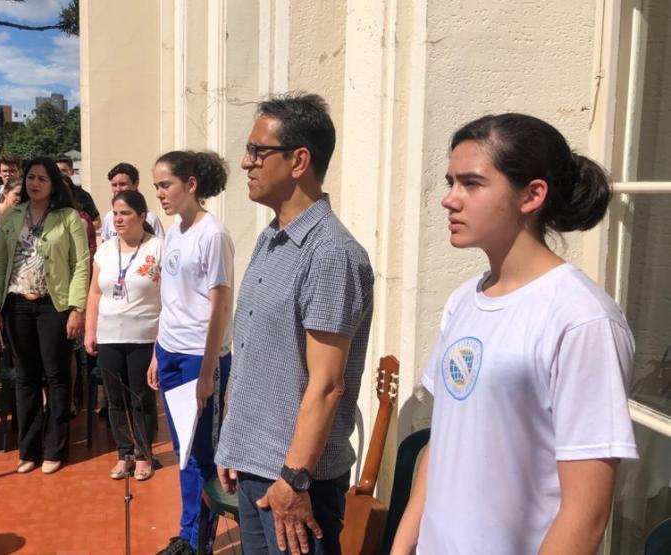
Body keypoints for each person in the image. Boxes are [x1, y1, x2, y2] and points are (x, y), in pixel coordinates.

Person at [390, 114, 638, 555]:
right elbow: (442, 443)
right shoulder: (464, 300)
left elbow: (587, 513)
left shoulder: (581, 319)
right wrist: (403, 545)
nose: (449, 200)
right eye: (451, 182)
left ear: (532, 195)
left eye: (471, 183)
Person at [214, 93, 374, 555]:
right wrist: (234, 442)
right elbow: (256, 353)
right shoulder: (272, 238)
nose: (246, 163)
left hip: (295, 482)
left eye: (258, 152)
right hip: (255, 463)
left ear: (299, 160)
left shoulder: (330, 254)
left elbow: (327, 385)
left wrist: (293, 479)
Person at [150, 150, 234, 555]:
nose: (160, 194)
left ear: (191, 184)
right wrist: (156, 351)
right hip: (169, 352)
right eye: (157, 187)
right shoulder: (174, 230)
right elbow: (172, 299)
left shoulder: (212, 234)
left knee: (201, 452)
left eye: (166, 185)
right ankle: (188, 533)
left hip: (200, 360)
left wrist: (207, 372)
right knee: (183, 449)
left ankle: (196, 540)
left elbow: (220, 305)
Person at [0, 157, 90, 475]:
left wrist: (77, 309)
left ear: (53, 184)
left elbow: (81, 263)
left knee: (57, 377)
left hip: (53, 306)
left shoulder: (69, 217)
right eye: (31, 177)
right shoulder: (12, 216)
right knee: (25, 377)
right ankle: (28, 449)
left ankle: (56, 448)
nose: (35, 183)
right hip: (17, 306)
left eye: (42, 179)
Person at [85, 190, 163, 482]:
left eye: (126, 213)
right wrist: (90, 330)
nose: (118, 219)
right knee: (115, 399)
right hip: (108, 336)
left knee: (140, 397)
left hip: (144, 336)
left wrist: (160, 345)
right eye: (115, 213)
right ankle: (124, 453)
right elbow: (94, 292)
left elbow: (167, 298)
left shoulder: (157, 247)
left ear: (142, 216)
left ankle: (144, 454)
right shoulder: (105, 250)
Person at [101, 162, 166, 241]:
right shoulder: (109, 217)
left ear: (136, 184)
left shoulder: (151, 219)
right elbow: (105, 243)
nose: (118, 189)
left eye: (122, 184)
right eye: (114, 185)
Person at [57, 154, 100, 231]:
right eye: (57, 171)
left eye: (63, 171)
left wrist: (80, 229)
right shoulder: (47, 194)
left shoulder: (83, 195)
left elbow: (97, 222)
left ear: (72, 172)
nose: (60, 174)